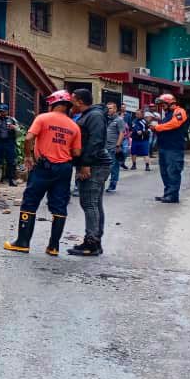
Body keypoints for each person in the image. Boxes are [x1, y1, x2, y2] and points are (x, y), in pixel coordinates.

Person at [4, 90, 81, 255]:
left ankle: (23, 242)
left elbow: (28, 138)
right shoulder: (74, 126)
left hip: (43, 167)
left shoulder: (43, 118)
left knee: (30, 202)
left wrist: (28, 156)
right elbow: (76, 152)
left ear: (53, 103)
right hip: (64, 169)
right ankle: (53, 247)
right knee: (59, 206)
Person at [68, 89, 112, 257]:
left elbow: (96, 141)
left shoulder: (94, 116)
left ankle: (91, 243)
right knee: (94, 203)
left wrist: (86, 164)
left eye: (73, 101)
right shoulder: (89, 115)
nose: (71, 105)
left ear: (79, 101)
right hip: (95, 164)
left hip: (95, 165)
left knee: (89, 203)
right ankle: (95, 240)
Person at [150, 93, 189, 203]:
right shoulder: (166, 115)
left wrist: (158, 127)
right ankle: (168, 193)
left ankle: (172, 195)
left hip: (174, 148)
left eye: (163, 104)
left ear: (169, 103)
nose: (162, 106)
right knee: (165, 172)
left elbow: (175, 124)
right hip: (164, 147)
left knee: (173, 171)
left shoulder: (179, 111)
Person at [104, 102, 127, 193]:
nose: (108, 110)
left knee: (113, 166)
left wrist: (118, 145)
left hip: (114, 147)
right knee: (105, 166)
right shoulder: (106, 119)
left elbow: (122, 133)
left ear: (115, 109)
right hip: (105, 147)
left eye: (110, 108)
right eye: (107, 108)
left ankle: (113, 184)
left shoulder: (119, 120)